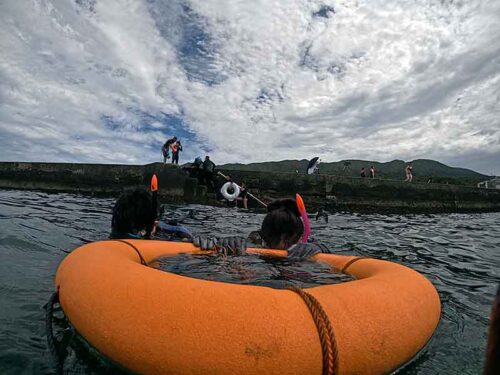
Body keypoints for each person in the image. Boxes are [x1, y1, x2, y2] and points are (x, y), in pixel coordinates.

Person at [193, 197, 331, 258]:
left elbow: (329, 252)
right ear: (266, 236)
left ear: (299, 236)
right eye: (276, 238)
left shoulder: (307, 244)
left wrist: (320, 248)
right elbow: (244, 243)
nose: (283, 245)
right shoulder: (256, 239)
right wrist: (228, 243)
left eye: (290, 241)